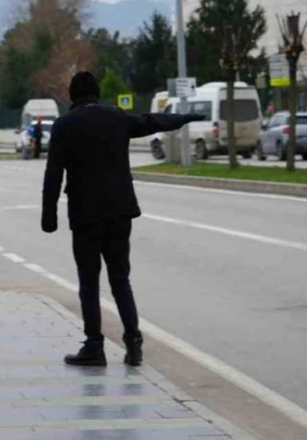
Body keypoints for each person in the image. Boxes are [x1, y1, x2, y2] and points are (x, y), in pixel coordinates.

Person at [41, 72, 204, 367]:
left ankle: (94, 346)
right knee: (120, 279)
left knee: (89, 282)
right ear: (97, 93)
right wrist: (184, 117)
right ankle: (133, 342)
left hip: (84, 215)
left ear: (71, 95)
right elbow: (151, 121)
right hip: (119, 212)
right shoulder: (116, 117)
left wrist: (48, 215)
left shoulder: (65, 126)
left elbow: (53, 174)